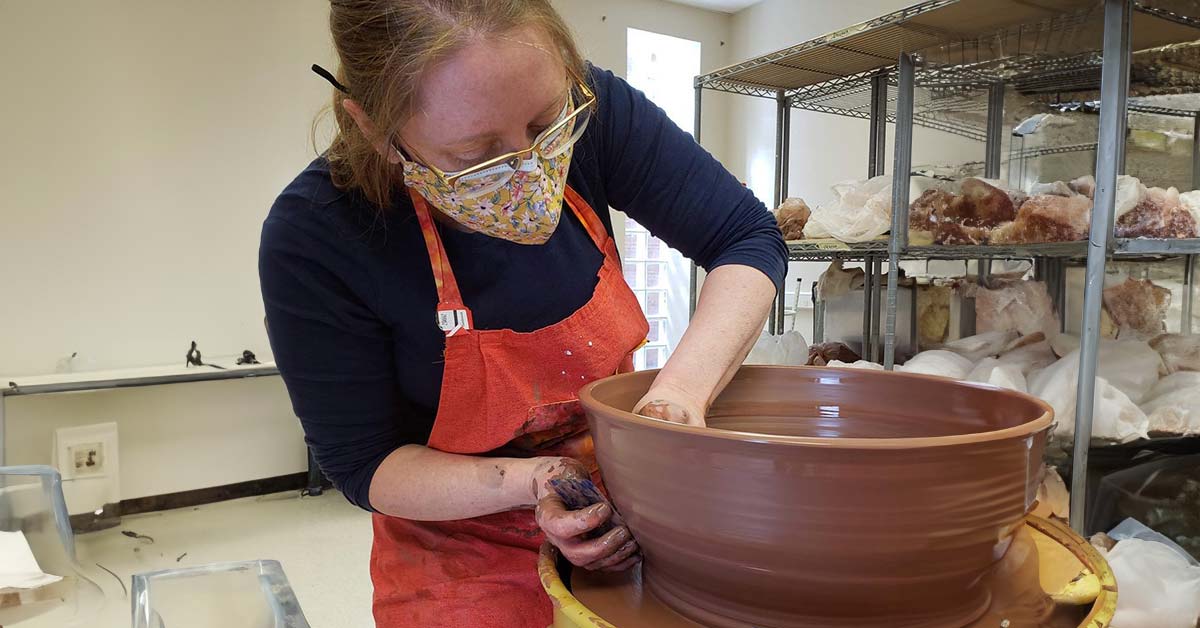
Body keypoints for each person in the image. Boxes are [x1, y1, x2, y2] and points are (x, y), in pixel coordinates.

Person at [259, 1, 786, 626]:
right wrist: (537, 481)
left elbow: (746, 236)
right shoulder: (317, 234)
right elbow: (363, 462)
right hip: (454, 544)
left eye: (544, 125)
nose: (530, 171)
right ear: (373, 125)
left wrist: (679, 398)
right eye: (477, 155)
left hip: (626, 513)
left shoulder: (593, 107)